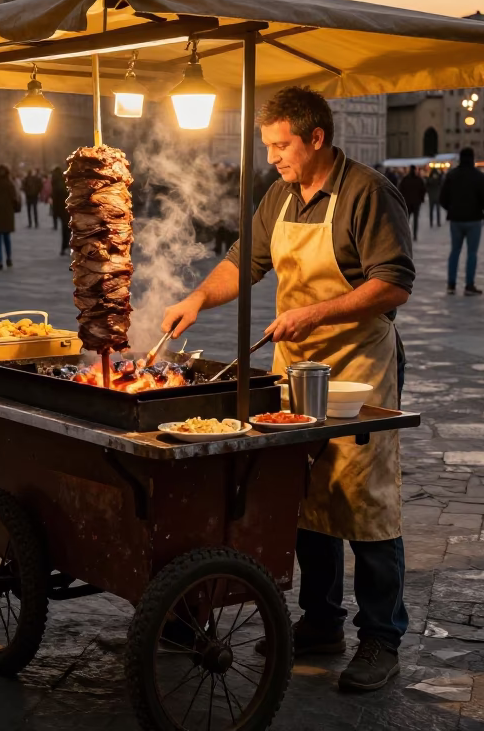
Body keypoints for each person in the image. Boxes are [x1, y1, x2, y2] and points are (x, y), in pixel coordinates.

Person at [162, 86, 413, 693]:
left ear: (316, 138)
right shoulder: (278, 195)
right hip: (296, 365)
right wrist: (197, 298)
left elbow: (394, 283)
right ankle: (322, 622)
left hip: (358, 367)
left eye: (281, 145)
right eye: (267, 145)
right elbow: (243, 261)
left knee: (365, 498)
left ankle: (382, 637)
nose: (271, 157)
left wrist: (315, 313)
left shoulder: (367, 192)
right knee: (304, 491)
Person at [439, 147, 484, 296]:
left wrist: (451, 208)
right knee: (472, 253)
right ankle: (469, 285)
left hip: (456, 219)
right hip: (474, 219)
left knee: (455, 251)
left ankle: (451, 284)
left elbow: (442, 198)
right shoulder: (479, 176)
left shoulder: (452, 175)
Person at [397, 165, 425, 242]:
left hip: (407, 202)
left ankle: (406, 234)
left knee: (406, 219)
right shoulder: (419, 179)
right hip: (416, 202)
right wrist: (421, 199)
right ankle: (415, 235)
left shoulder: (405, 179)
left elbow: (400, 190)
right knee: (415, 220)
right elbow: (423, 190)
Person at [50, 166, 68, 256]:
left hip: (60, 208)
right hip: (66, 207)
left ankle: (64, 247)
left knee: (65, 228)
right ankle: (66, 246)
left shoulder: (55, 182)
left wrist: (55, 212)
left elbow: (55, 198)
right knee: (67, 228)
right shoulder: (63, 182)